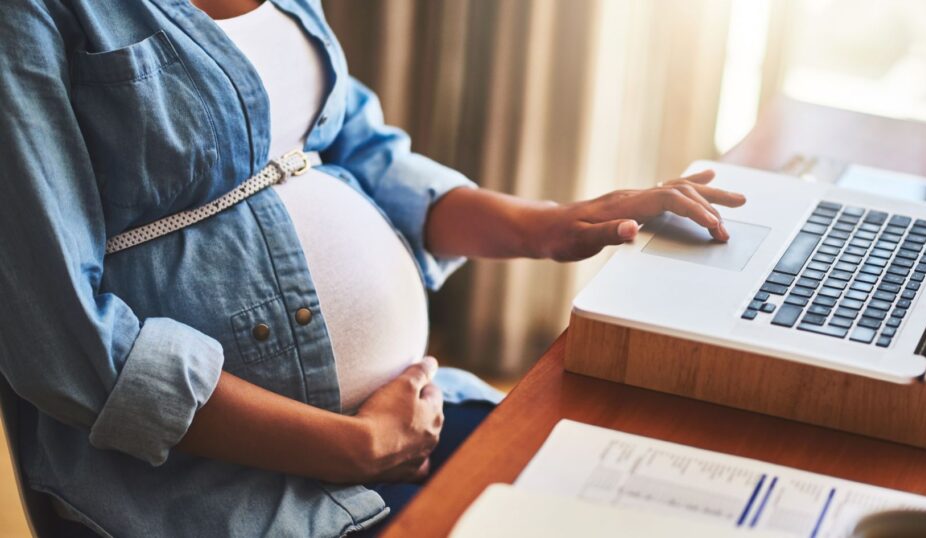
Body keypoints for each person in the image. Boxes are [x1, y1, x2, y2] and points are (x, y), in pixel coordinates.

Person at [0, 0, 746, 535]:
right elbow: (62, 343)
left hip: (405, 420)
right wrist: (354, 448)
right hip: (221, 490)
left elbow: (357, 144)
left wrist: (554, 226)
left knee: (631, 496)